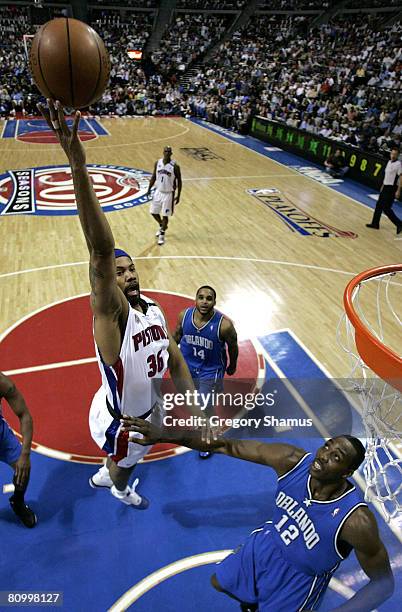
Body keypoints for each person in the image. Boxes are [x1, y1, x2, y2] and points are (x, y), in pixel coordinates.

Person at [37, 100, 201, 509]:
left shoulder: (153, 308)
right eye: (118, 271)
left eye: (130, 269)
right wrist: (78, 165)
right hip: (128, 421)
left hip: (143, 405)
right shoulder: (115, 314)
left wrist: (192, 405)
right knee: (124, 466)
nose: (126, 275)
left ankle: (106, 470)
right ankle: (119, 487)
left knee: (121, 455)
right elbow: (100, 250)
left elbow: (174, 357)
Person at [124, 420, 395, 612]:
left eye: (336, 457)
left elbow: (383, 585)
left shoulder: (355, 521)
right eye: (327, 446)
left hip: (298, 581)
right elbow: (223, 445)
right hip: (266, 545)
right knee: (220, 581)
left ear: (347, 473)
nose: (324, 455)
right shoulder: (292, 461)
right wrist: (164, 434)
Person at [173, 286, 238, 459]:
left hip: (211, 370)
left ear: (214, 302)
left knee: (204, 405)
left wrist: (233, 365)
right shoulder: (184, 316)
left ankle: (209, 437)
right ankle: (207, 424)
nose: (204, 301)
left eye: (208, 298)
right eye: (200, 297)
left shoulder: (224, 326)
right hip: (188, 366)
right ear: (195, 299)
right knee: (192, 399)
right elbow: (177, 336)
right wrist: (167, 356)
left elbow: (233, 346)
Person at [0, 372, 37, 528]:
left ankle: (18, 501)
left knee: (23, 469)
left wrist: (25, 455)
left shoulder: (2, 383)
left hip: (1, 438)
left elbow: (24, 415)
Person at [146, 145, 182, 245]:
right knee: (153, 212)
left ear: (171, 153)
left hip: (169, 194)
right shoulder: (158, 163)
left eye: (168, 151)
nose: (167, 153)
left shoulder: (175, 166)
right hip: (158, 191)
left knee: (165, 215)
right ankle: (162, 225)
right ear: (163, 152)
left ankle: (162, 234)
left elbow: (179, 181)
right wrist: (149, 189)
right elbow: (153, 176)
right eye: (165, 151)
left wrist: (178, 195)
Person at [366, 147, 402, 236]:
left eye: (395, 154)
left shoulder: (399, 164)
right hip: (385, 187)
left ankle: (400, 224)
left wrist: (398, 190)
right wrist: (382, 185)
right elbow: (387, 176)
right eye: (392, 153)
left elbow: (401, 177)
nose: (393, 155)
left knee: (386, 208)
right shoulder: (389, 162)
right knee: (378, 205)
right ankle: (375, 223)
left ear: (398, 155)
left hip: (391, 188)